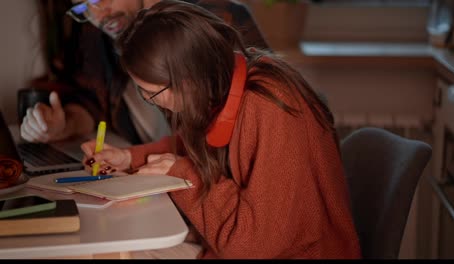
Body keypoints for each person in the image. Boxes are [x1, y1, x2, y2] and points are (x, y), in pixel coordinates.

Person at [80, 0, 361, 259]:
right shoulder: (226, 84)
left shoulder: (269, 104)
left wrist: (183, 175)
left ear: (187, 80)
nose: (152, 102)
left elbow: (252, 246)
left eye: (152, 93)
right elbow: (197, 145)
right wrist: (129, 158)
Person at [20, 0, 270, 145]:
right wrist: (62, 125)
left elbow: (262, 116)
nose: (97, 15)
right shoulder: (96, 35)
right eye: (83, 7)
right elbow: (92, 104)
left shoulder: (219, 19)